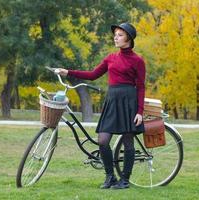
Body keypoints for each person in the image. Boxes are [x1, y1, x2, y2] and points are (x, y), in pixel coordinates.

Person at [58, 22, 146, 189]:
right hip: (112, 101)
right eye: (116, 34)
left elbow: (141, 87)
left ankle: (125, 180)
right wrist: (68, 72)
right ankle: (110, 177)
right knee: (103, 140)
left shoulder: (138, 60)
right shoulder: (110, 58)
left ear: (129, 38)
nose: (116, 37)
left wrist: (140, 111)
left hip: (129, 103)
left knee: (128, 143)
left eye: (120, 35)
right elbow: (92, 75)